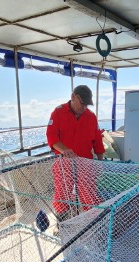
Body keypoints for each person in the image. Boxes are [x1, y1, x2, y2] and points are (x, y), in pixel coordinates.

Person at [46, 85, 105, 218]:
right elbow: (51, 137)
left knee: (88, 193)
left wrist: (100, 163)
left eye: (87, 105)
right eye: (82, 103)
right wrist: (65, 150)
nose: (84, 108)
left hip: (86, 163)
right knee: (62, 192)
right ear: (73, 97)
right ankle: (61, 220)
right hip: (64, 162)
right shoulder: (58, 113)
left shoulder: (91, 117)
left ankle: (91, 221)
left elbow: (98, 141)